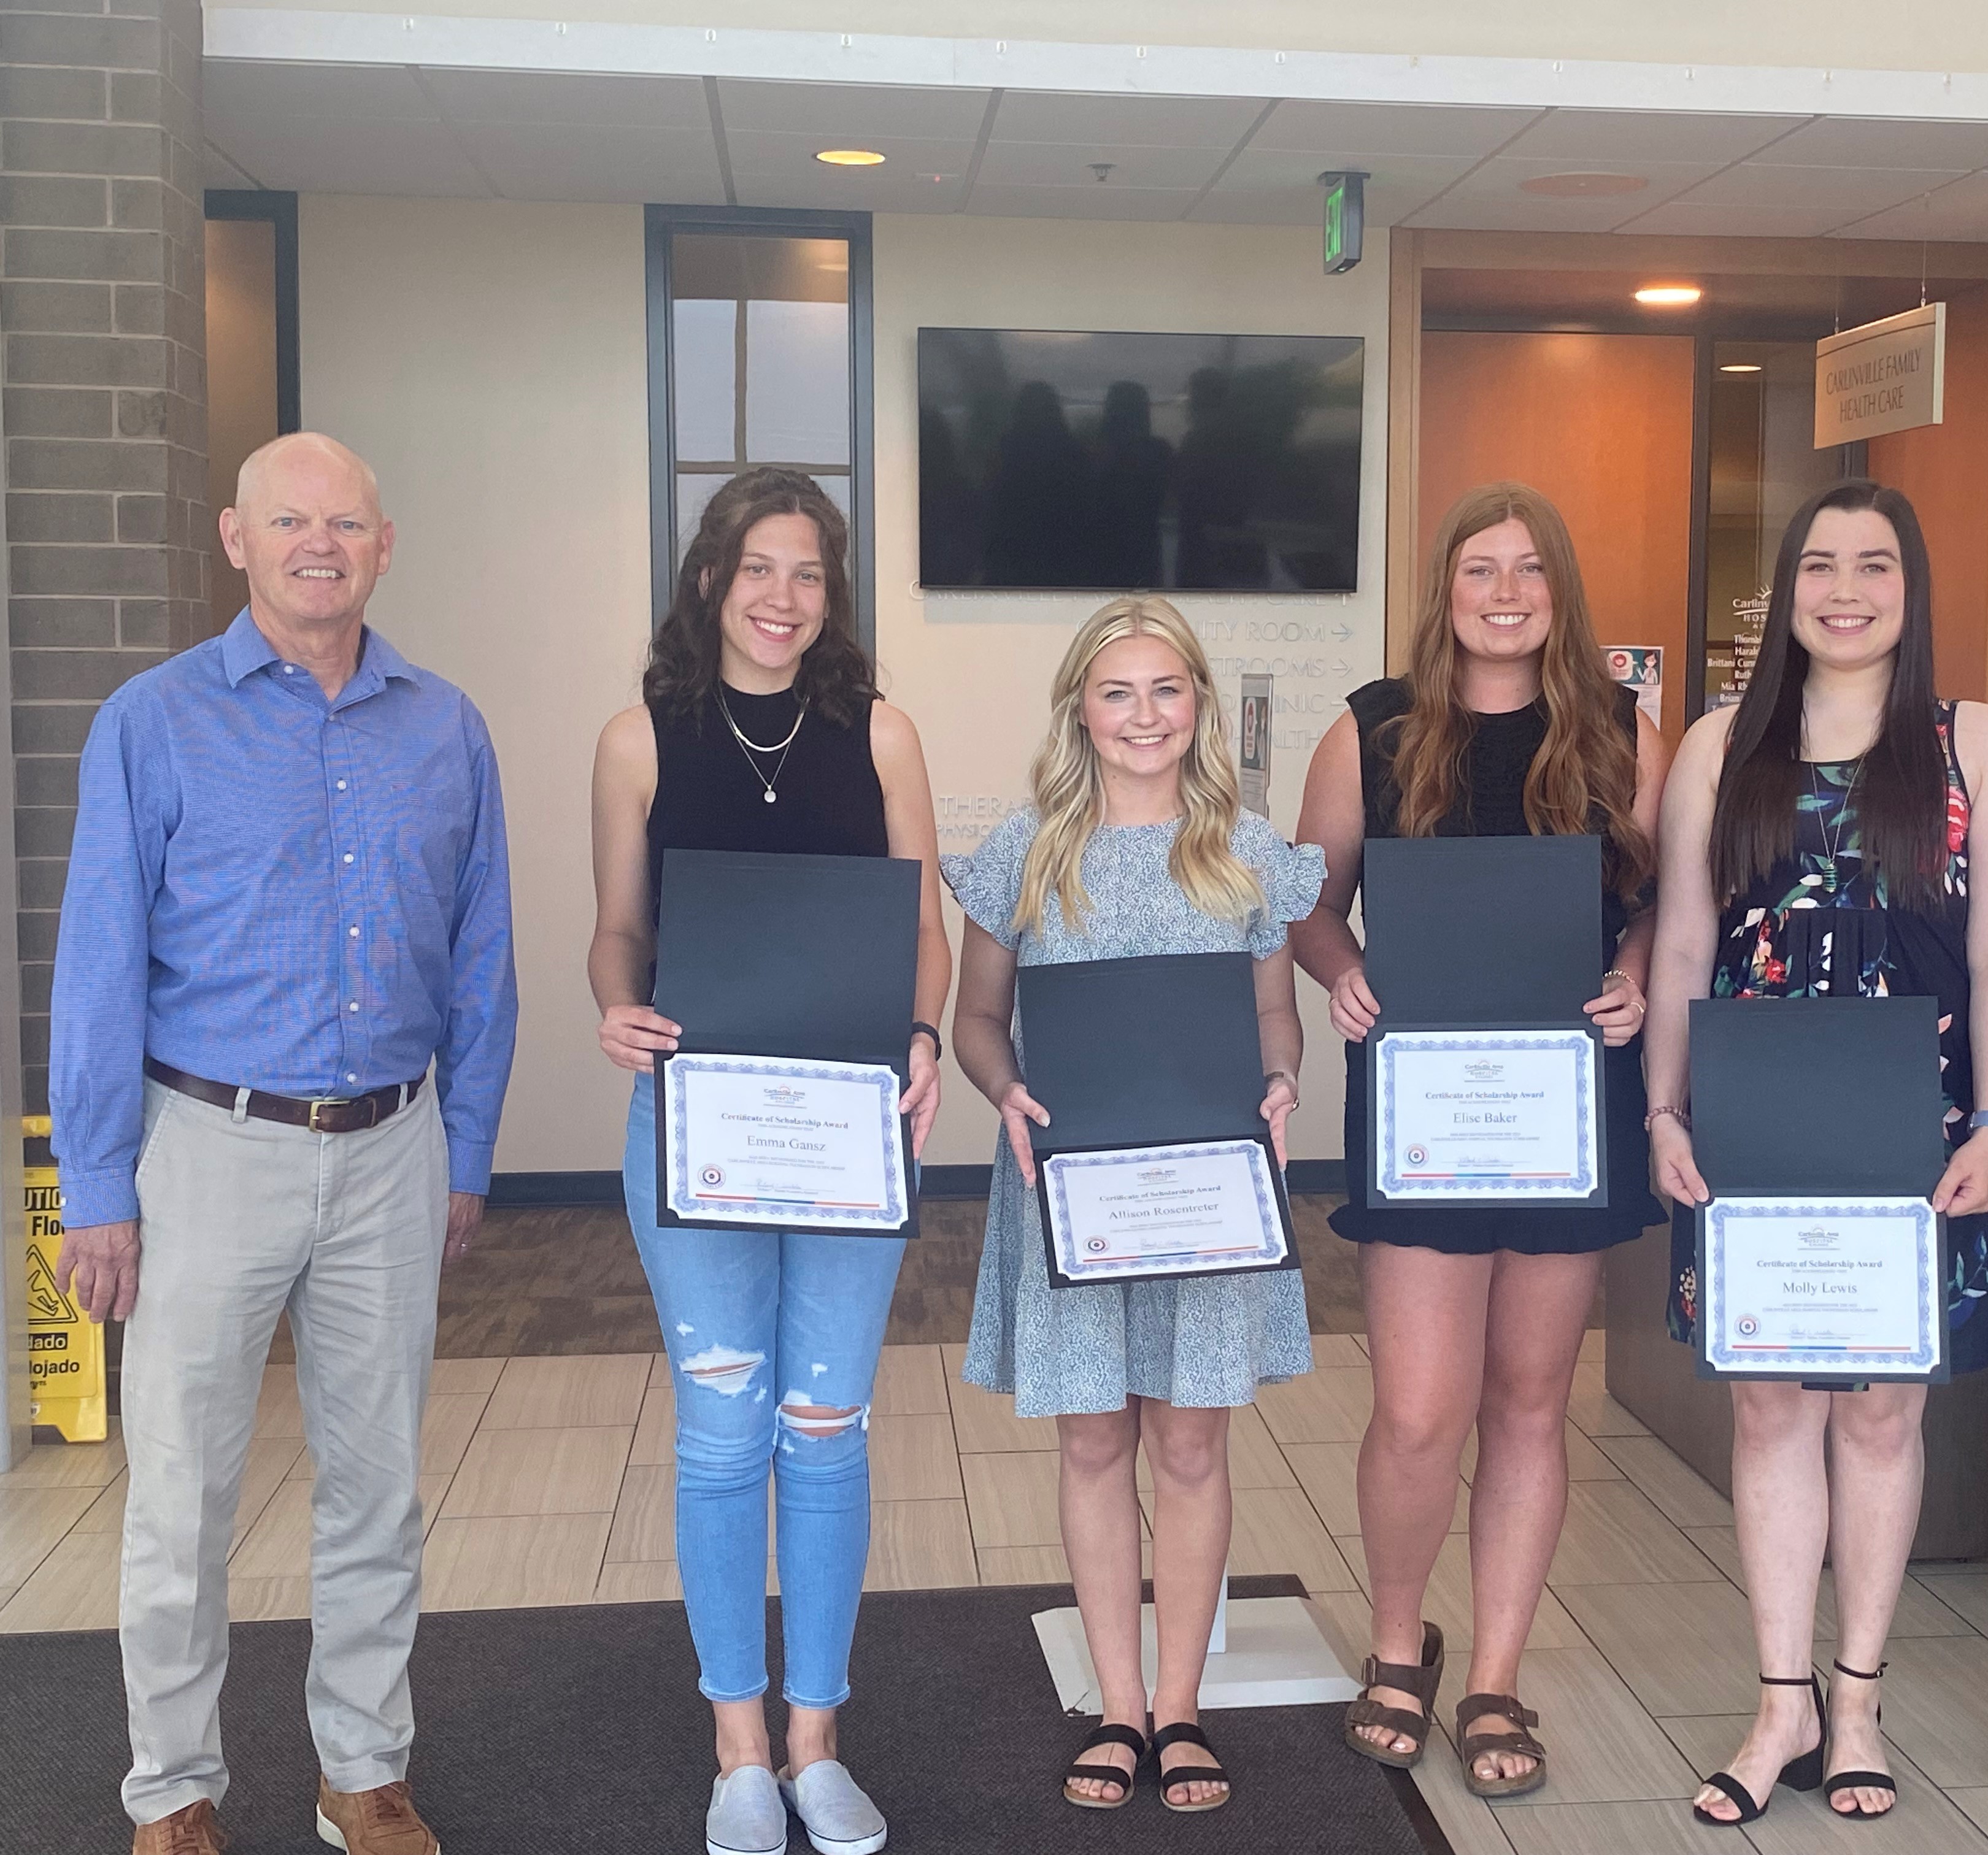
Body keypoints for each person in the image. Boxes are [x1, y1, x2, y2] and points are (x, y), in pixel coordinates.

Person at [50, 432, 516, 1855]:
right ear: (235, 539)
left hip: (393, 1149)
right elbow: (98, 965)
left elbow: (482, 951)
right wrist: (101, 1185)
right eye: (291, 521)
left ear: (387, 544)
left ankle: (363, 1770)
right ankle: (174, 1790)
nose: (323, 544)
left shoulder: (446, 725)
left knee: (377, 1485)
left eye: (349, 524)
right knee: (181, 1490)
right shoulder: (152, 719)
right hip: (207, 1148)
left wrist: (471, 1151)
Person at [1644, 480, 1988, 1826]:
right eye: (1820, 565)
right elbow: (1685, 946)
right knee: (1770, 1407)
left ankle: (1860, 1699)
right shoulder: (1718, 747)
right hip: (1756, 1123)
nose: (1847, 589)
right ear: (1788, 588)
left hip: (1921, 1133)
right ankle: (1780, 1706)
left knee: (1883, 1411)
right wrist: (1661, 1109)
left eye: (1876, 565)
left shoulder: (1977, 743)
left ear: (1912, 588)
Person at [588, 467, 949, 1855]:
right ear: (708, 581)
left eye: (806, 573)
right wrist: (612, 1003)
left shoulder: (881, 735)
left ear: (829, 593)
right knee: (726, 1431)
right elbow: (616, 931)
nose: (781, 597)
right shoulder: (639, 740)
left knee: (827, 1429)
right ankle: (738, 1746)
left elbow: (928, 929)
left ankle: (817, 1739)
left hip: (852, 1125)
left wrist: (923, 1028)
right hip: (697, 1130)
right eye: (757, 569)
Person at [1293, 481, 1666, 1798]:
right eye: (1478, 572)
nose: (1504, 594)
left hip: (1569, 1112)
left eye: (1529, 572)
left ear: (1559, 591)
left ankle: (1498, 1675)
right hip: (1427, 1112)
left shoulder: (1623, 729)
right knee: (1416, 1411)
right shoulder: (1373, 732)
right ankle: (1402, 1648)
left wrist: (1631, 972)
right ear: (1443, 591)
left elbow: (1654, 906)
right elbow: (1309, 903)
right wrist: (1337, 971)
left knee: (1527, 1402)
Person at [943, 596, 1322, 1813]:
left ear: (1200, 705)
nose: (1145, 713)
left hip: (1208, 1191)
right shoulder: (1026, 852)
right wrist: (1001, 1091)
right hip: (1072, 1192)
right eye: (1119, 692)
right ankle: (1117, 1707)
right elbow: (978, 1021)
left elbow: (1275, 1011)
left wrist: (1281, 1078)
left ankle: (1180, 1710)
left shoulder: (1250, 853)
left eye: (1168, 689)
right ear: (1081, 712)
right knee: (1096, 1438)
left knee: (1193, 1442)